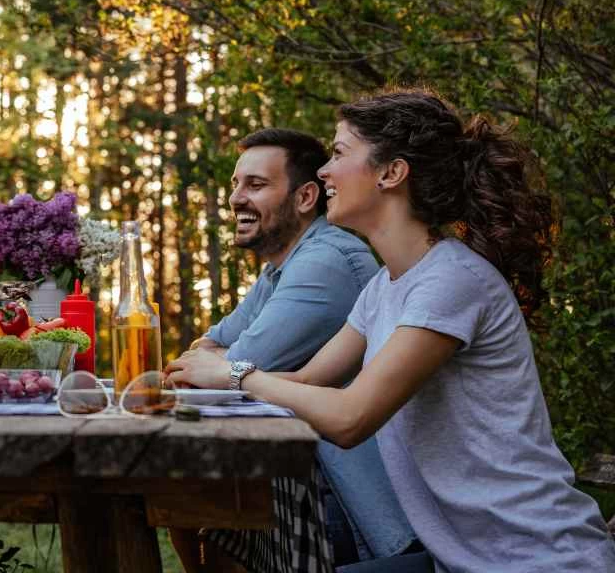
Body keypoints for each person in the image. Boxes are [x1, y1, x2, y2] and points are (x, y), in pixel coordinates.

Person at [167, 89, 615, 572]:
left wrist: (234, 373)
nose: (323, 172)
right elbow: (302, 384)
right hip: (461, 560)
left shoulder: (451, 281)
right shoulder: (384, 287)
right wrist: (217, 371)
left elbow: (350, 418)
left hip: (534, 558)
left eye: (339, 154)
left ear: (391, 173)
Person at [167, 129, 416, 570]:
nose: (236, 199)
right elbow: (208, 350)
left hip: (357, 507)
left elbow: (227, 373)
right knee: (188, 503)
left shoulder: (326, 261)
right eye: (235, 185)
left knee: (198, 504)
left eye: (256, 185)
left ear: (304, 198)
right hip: (310, 479)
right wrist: (215, 363)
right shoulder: (281, 268)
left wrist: (219, 366)